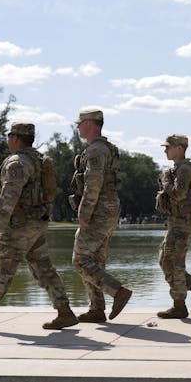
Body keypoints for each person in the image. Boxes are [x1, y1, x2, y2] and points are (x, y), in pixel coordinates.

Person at [0, 123, 78, 332]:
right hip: (36, 223)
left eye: (9, 136)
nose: (8, 139)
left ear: (16, 138)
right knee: (44, 269)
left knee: (0, 269)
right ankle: (64, 312)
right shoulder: (38, 161)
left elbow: (10, 196)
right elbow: (24, 196)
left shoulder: (17, 163)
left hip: (19, 227)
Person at [69, 109, 132, 323]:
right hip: (108, 208)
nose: (77, 126)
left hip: (98, 210)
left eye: (81, 123)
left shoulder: (96, 151)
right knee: (95, 260)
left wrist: (84, 212)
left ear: (93, 124)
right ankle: (96, 309)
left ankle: (117, 291)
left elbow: (93, 184)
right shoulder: (105, 149)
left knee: (80, 260)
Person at [155, 134, 191, 319]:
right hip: (177, 221)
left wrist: (165, 181)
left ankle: (179, 305)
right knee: (165, 260)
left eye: (168, 147)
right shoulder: (177, 169)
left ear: (179, 148)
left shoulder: (184, 169)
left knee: (174, 262)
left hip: (184, 221)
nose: (165, 150)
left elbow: (178, 194)